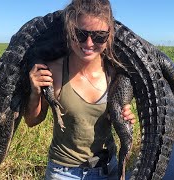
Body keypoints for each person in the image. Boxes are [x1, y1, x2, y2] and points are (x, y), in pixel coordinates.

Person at [24, 0, 136, 179]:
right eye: (80, 34)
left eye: (99, 36)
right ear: (69, 32)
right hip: (64, 172)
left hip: (108, 168)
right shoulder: (53, 71)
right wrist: (35, 92)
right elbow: (32, 121)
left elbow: (118, 114)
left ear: (109, 36)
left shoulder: (114, 73)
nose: (89, 43)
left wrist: (125, 117)